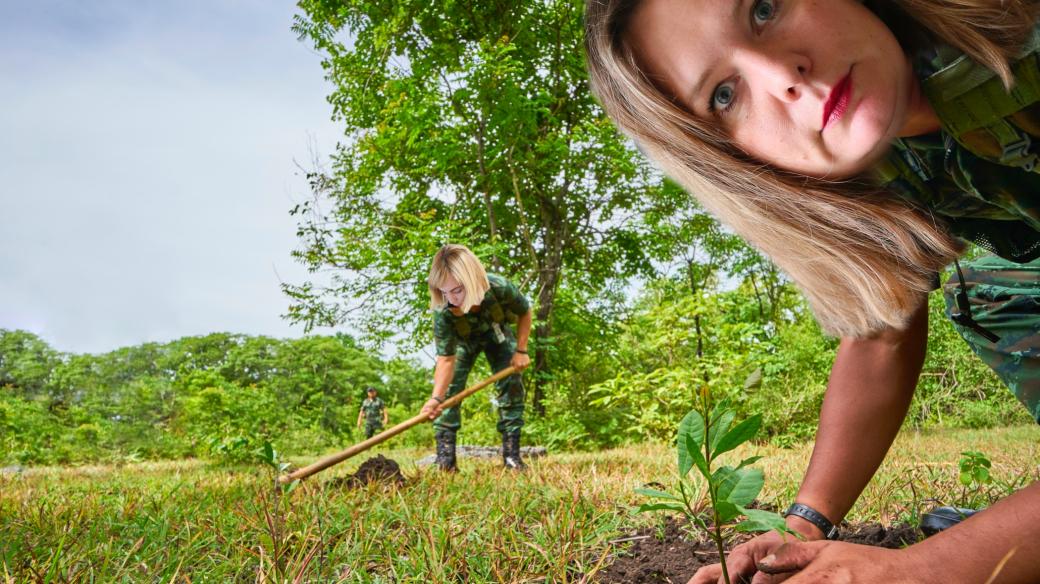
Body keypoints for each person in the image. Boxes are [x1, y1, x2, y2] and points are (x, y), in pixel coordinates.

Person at [584, 0, 1040, 582]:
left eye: (763, 10)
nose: (783, 78)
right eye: (724, 95)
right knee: (994, 291)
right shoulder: (870, 161)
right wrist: (801, 526)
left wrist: (929, 568)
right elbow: (881, 331)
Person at [419, 244, 533, 471]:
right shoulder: (442, 311)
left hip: (497, 334)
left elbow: (524, 311)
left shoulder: (499, 287)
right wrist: (436, 399)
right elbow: (446, 359)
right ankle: (446, 460)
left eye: (458, 291)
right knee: (449, 392)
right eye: (445, 292)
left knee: (511, 385)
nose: (451, 300)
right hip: (464, 343)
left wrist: (521, 351)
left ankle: (512, 456)